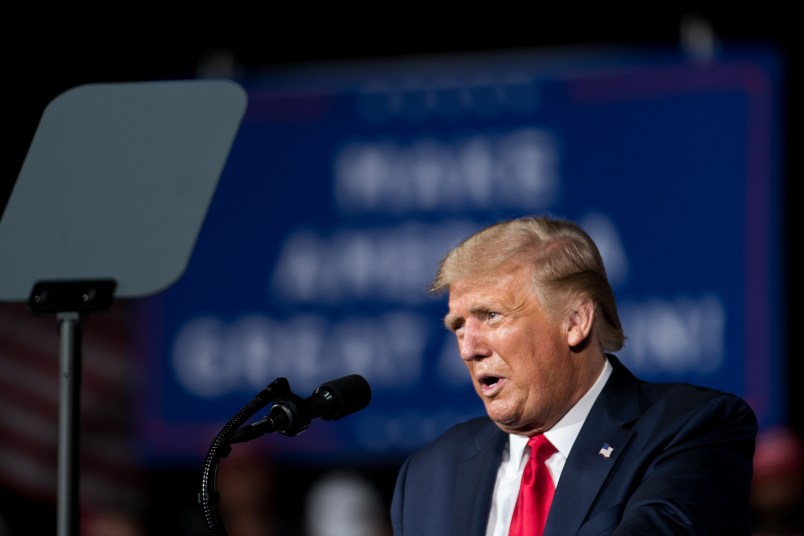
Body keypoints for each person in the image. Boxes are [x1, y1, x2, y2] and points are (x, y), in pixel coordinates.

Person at [390, 215, 758, 535]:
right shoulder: (429, 475)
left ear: (575, 321)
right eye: (457, 326)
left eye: (490, 316)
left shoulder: (690, 429)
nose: (469, 349)